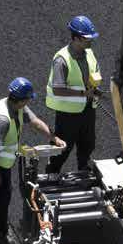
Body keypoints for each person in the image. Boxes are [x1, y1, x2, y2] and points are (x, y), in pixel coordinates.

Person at [0, 78, 64, 244]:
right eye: (28, 99)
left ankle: (1, 237)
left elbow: (35, 121)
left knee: (3, 199)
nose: (29, 102)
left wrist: (53, 137)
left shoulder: (17, 106)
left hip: (1, 165)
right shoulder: (2, 120)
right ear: (21, 100)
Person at [46, 15, 102, 173]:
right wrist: (84, 93)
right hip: (68, 114)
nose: (90, 41)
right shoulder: (62, 60)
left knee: (88, 143)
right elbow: (58, 89)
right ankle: (52, 172)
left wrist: (95, 89)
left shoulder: (88, 53)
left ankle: (83, 168)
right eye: (86, 38)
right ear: (76, 38)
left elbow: (94, 72)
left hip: (88, 109)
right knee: (63, 148)